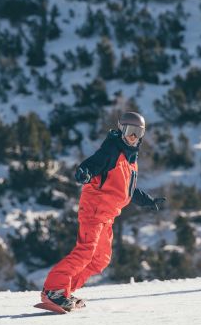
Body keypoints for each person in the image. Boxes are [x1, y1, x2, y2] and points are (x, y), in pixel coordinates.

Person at [41, 111, 166, 311]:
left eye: (137, 132)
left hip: (107, 216)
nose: (132, 137)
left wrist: (147, 201)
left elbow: (127, 188)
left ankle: (63, 292)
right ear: (121, 129)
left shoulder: (130, 159)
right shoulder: (111, 151)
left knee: (100, 260)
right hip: (94, 211)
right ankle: (53, 289)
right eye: (128, 131)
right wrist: (85, 173)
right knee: (84, 253)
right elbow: (91, 165)